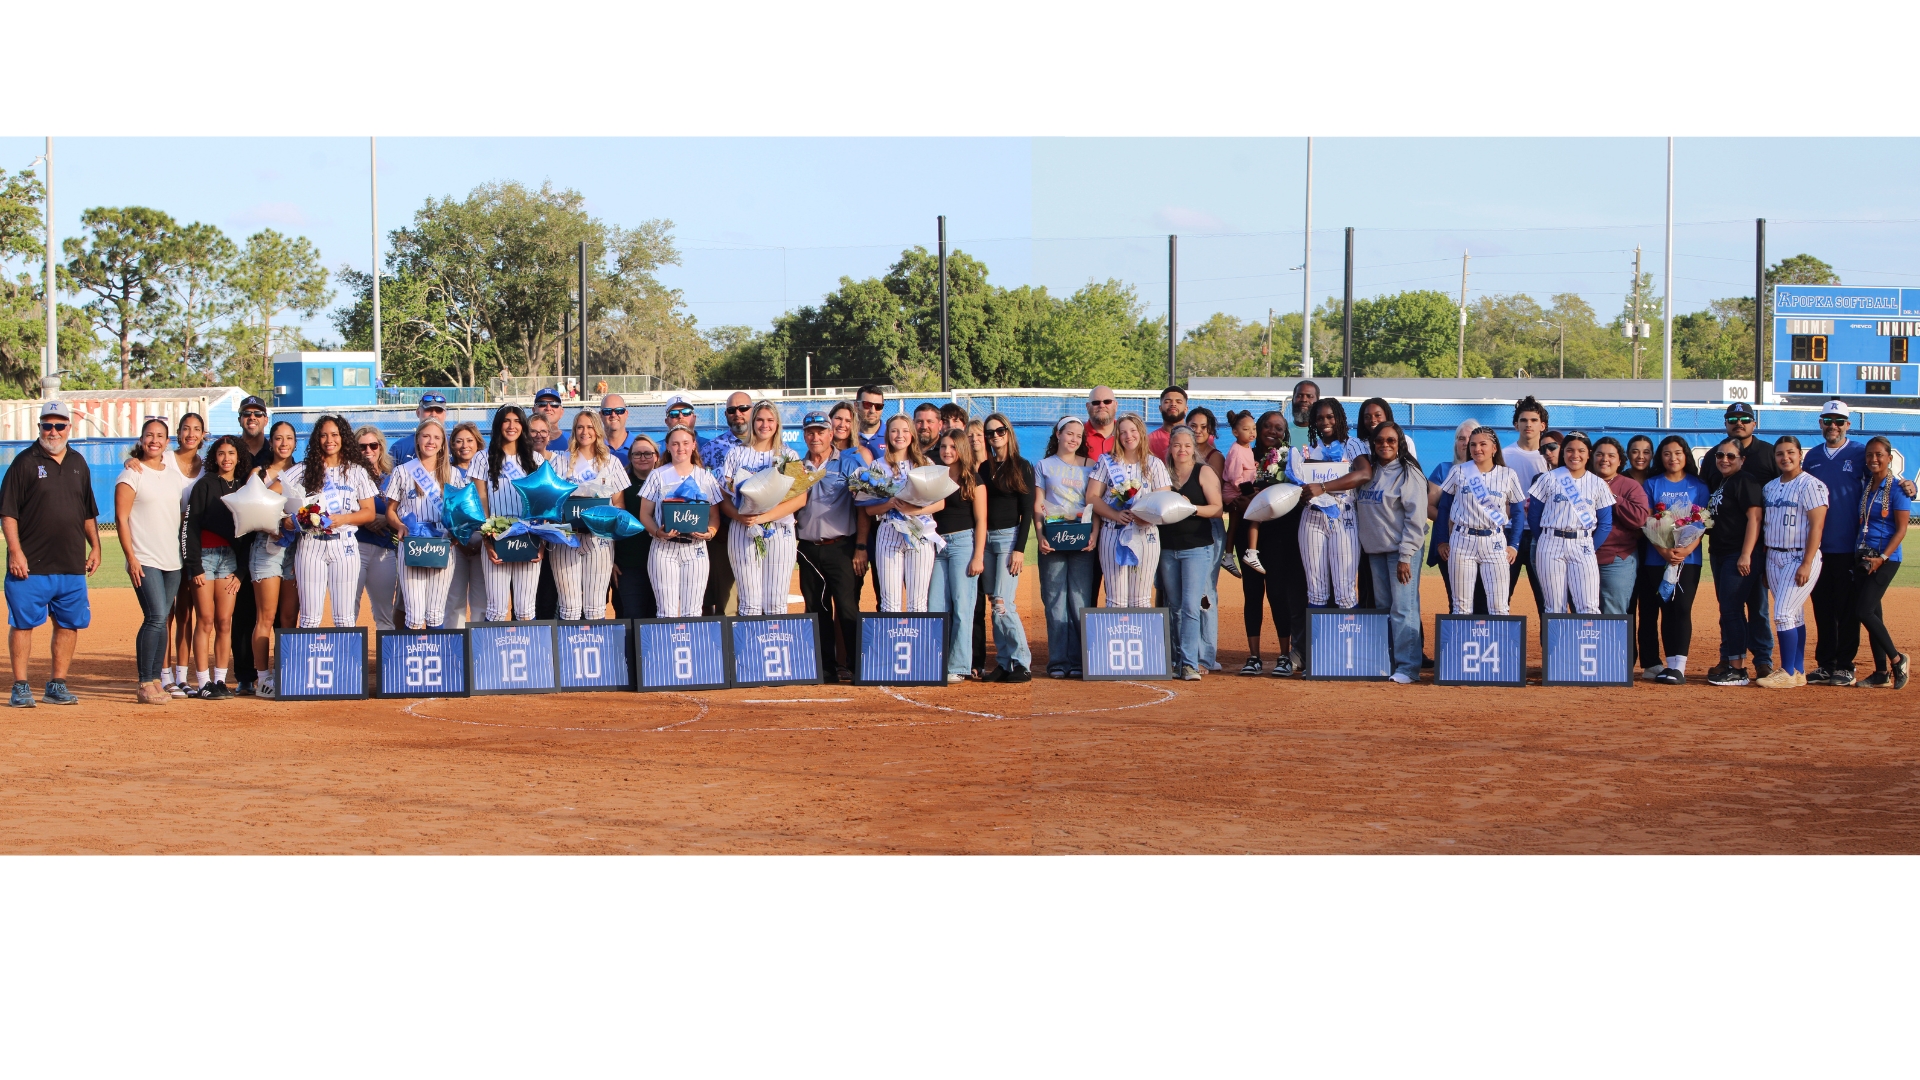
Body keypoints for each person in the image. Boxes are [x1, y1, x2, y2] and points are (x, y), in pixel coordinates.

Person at [117, 417, 192, 705]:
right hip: (144, 558)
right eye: (149, 435)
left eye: (160, 436)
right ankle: (144, 682)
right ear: (141, 439)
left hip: (172, 561)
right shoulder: (131, 474)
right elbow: (121, 519)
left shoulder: (173, 477)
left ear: (167, 441)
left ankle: (157, 680)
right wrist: (131, 558)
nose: (154, 440)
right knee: (156, 617)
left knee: (162, 619)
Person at [1224, 411, 1304, 676]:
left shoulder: (1289, 459)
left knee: (1279, 594)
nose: (1273, 431)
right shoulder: (1243, 453)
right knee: (1252, 593)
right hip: (1248, 536)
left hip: (1279, 535)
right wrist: (1237, 501)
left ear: (1285, 432)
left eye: (1278, 428)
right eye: (1267, 426)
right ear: (1257, 429)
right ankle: (1254, 656)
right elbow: (1230, 489)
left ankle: (1284, 655)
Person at [792, 416, 867, 682]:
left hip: (841, 546)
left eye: (821, 432)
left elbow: (864, 507)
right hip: (808, 548)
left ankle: (858, 665)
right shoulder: (796, 467)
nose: (815, 437)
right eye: (810, 432)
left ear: (831, 434)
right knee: (816, 608)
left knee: (847, 607)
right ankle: (825, 667)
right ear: (804, 436)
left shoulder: (848, 463)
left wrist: (861, 546)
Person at [288, 416, 380, 628]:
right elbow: (273, 491)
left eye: (334, 434)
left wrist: (343, 519)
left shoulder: (357, 471)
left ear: (343, 437)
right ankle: (308, 652)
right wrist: (287, 518)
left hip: (344, 544)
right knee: (309, 618)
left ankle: (345, 653)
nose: (329, 440)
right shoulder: (304, 469)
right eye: (323, 435)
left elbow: (369, 513)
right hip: (311, 544)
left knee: (344, 618)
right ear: (316, 439)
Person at [719, 401, 807, 617]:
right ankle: (750, 641)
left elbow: (800, 499)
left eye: (770, 420)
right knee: (749, 603)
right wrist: (739, 516)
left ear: (777, 424)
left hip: (780, 530)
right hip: (743, 529)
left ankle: (775, 639)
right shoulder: (736, 454)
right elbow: (723, 496)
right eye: (759, 419)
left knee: (776, 603)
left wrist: (763, 517)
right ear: (752, 422)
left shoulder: (789, 455)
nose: (764, 425)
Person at [1802, 400, 1867, 686]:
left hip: (1848, 545)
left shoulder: (1860, 453)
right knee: (1823, 608)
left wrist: (1907, 486)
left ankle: (1845, 665)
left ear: (1847, 425)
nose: (1833, 426)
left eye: (1839, 421)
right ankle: (1826, 664)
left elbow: (1881, 481)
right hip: (1817, 547)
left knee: (1847, 609)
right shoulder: (1812, 457)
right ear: (1820, 423)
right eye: (1828, 420)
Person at [1357, 420, 1427, 683]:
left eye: (1390, 440)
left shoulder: (1409, 473)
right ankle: (1389, 663)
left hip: (1401, 552)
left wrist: (1405, 556)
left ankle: (1408, 668)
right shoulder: (1369, 471)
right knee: (1384, 608)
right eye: (1379, 440)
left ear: (1399, 444)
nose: (1384, 445)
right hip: (1376, 552)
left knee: (1403, 609)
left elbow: (1416, 518)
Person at [1637, 435, 1710, 684]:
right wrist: (1663, 550)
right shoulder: (1652, 483)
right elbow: (1648, 520)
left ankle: (1678, 667)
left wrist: (1685, 551)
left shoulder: (1698, 485)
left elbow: (1702, 523)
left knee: (1681, 609)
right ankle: (1668, 666)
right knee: (1665, 609)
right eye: (1667, 453)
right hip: (1657, 559)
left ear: (1685, 455)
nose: (1673, 458)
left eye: (1677, 453)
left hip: (1688, 560)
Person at [1758, 436, 1828, 689]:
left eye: (1790, 452)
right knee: (1794, 615)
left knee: (1783, 614)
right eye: (1780, 453)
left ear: (1800, 455)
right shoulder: (1769, 487)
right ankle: (1798, 671)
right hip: (1773, 556)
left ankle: (1786, 671)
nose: (1785, 457)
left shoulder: (1812, 485)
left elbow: (1817, 526)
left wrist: (1807, 563)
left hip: (1800, 555)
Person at [1290, 398, 1370, 611]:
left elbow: (1365, 473)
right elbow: (1303, 484)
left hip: (1343, 515)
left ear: (1339, 418)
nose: (1325, 422)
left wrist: (1323, 487)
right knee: (1316, 591)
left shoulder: (1352, 444)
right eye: (1319, 418)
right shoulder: (1310, 449)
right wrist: (1302, 492)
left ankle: (1348, 634)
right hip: (1312, 517)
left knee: (1345, 592)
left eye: (1330, 417)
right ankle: (1318, 634)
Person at [182, 436, 247, 699]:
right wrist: (194, 565)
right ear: (214, 457)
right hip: (205, 559)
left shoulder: (244, 488)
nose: (226, 458)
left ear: (238, 457)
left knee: (224, 622)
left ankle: (220, 680)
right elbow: (190, 527)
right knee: (205, 620)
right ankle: (203, 682)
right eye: (221, 453)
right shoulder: (204, 485)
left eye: (231, 453)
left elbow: (248, 533)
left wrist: (241, 572)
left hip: (230, 561)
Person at [1436, 427, 1525, 615]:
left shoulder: (1508, 474)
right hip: (1462, 540)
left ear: (1494, 448)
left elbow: (1518, 512)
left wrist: (1514, 544)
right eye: (1473, 445)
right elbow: (1444, 508)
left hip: (1494, 541)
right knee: (1461, 607)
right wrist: (1442, 540)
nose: (1477, 449)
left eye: (1483, 444)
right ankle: (1461, 636)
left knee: (1499, 607)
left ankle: (1498, 636)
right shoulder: (1458, 471)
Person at [1158, 426, 1223, 680]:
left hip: (1196, 548)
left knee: (1190, 606)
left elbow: (1217, 508)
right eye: (1177, 445)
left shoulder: (1203, 471)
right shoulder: (1162, 473)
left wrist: (1191, 508)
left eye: (1187, 445)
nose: (1182, 450)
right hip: (1167, 548)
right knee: (1174, 605)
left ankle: (1189, 663)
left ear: (1193, 448)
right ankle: (1177, 660)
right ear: (1170, 448)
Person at [1086, 413, 1172, 608]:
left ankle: (1139, 630)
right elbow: (1092, 497)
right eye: (1123, 432)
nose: (1128, 436)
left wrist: (1147, 518)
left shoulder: (1154, 464)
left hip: (1146, 534)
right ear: (1117, 436)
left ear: (1141, 433)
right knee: (1115, 600)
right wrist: (1115, 515)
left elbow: (1163, 502)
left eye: (1133, 430)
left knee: (1141, 599)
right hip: (1112, 532)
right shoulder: (1106, 461)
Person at [1703, 437, 1769, 687]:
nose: (1725, 460)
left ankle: (1738, 669)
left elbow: (1755, 518)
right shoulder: (1723, 481)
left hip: (1737, 554)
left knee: (1732, 610)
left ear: (1742, 459)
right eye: (1720, 455)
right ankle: (1732, 662)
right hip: (1721, 553)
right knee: (1729, 610)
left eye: (1731, 456)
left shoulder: (1745, 481)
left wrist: (1746, 554)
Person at [1035, 417, 1097, 680]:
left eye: (1078, 436)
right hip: (1054, 540)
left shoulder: (1091, 466)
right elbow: (1038, 504)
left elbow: (1094, 503)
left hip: (1082, 541)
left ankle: (1080, 660)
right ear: (1058, 434)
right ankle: (1059, 661)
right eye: (1069, 433)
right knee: (1055, 601)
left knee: (1079, 601)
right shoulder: (1044, 465)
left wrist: (1094, 534)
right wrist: (1040, 536)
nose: (1073, 439)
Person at [551, 411, 629, 620]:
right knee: (569, 608)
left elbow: (619, 504)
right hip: (566, 540)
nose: (585, 432)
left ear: (598, 430)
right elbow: (551, 503)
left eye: (590, 427)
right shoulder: (560, 461)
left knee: (595, 608)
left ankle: (596, 641)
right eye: (580, 427)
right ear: (574, 431)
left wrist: (607, 521)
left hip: (599, 540)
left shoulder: (611, 462)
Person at [638, 426, 722, 618]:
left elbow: (714, 516)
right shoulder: (657, 475)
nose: (680, 448)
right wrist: (657, 532)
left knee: (693, 612)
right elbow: (645, 514)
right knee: (666, 611)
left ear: (694, 445)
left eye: (685, 443)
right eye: (675, 444)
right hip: (664, 548)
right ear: (667, 447)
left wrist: (710, 532)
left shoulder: (705, 477)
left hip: (695, 548)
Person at [1526, 432, 1615, 615]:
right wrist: (1545, 540)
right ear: (1563, 452)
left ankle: (1588, 636)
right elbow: (1534, 516)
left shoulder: (1597, 483)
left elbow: (1606, 522)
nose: (1575, 455)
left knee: (1588, 606)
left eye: (1581, 450)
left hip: (1583, 543)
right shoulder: (1548, 478)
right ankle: (1556, 636)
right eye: (1569, 450)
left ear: (1589, 453)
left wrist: (1590, 546)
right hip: (1551, 542)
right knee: (1554, 607)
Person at [865, 414, 946, 612]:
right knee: (889, 604)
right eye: (894, 431)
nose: (899, 435)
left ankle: (915, 634)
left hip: (920, 532)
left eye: (904, 430)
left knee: (918, 603)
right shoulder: (877, 466)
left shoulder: (925, 463)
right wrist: (891, 503)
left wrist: (914, 510)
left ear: (912, 435)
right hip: (888, 533)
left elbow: (940, 503)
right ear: (888, 436)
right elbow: (869, 509)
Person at [978, 412, 1035, 682]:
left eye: (1000, 431)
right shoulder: (984, 468)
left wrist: (1019, 549)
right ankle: (1003, 663)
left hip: (1008, 538)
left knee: (1003, 603)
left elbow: (1027, 512)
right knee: (994, 603)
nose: (995, 436)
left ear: (1008, 432)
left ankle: (1022, 662)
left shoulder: (1022, 466)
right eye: (990, 433)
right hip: (986, 540)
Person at [386, 420, 459, 629]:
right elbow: (390, 511)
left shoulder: (453, 474)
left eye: (436, 437)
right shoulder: (402, 471)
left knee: (436, 613)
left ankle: (436, 651)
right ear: (417, 439)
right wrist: (400, 526)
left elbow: (460, 512)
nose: (430, 441)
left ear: (443, 443)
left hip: (442, 543)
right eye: (426, 436)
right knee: (414, 615)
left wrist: (457, 532)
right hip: (412, 542)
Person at [248, 421, 302, 697]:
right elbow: (248, 511)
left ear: (295, 442)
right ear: (271, 442)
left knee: (289, 616)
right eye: (279, 438)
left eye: (289, 438)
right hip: (266, 548)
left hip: (296, 549)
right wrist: (277, 523)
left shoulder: (303, 470)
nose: (284, 443)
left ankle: (286, 672)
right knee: (266, 616)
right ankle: (262, 678)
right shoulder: (258, 473)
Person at [475, 405, 544, 621]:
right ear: (498, 425)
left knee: (526, 611)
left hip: (529, 538)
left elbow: (542, 505)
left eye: (517, 421)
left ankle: (527, 646)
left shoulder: (536, 460)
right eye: (506, 420)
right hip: (496, 539)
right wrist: (487, 541)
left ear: (523, 426)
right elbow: (481, 502)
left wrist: (541, 543)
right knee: (496, 610)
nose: (511, 426)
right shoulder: (482, 458)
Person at [928, 430, 985, 682]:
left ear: (962, 449)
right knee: (936, 606)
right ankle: (934, 661)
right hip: (938, 546)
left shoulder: (973, 480)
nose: (947, 451)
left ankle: (958, 666)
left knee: (962, 606)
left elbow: (981, 520)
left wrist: (978, 556)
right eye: (943, 446)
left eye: (952, 447)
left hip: (963, 544)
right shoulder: (936, 477)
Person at [1854, 436, 1910, 689]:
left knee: (1863, 611)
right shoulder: (1867, 485)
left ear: (1889, 458)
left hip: (1886, 558)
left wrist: (1883, 558)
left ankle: (1897, 659)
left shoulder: (1898, 489)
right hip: (1865, 555)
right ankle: (1880, 672)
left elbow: (1901, 530)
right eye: (1869, 455)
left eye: (1879, 454)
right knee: (1874, 613)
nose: (1873, 459)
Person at [227, 395, 273, 696]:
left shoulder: (276, 449)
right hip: (239, 541)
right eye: (247, 413)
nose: (252, 417)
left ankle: (277, 671)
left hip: (273, 541)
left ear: (265, 419)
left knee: (275, 612)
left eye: (257, 413)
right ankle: (245, 675)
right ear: (240, 419)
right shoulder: (231, 450)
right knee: (243, 611)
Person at [163, 412, 205, 698]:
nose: (191, 434)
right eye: (186, 429)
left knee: (186, 612)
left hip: (192, 545)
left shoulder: (208, 465)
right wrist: (131, 461)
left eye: (196, 429)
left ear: (203, 435)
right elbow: (140, 465)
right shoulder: (164, 459)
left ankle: (182, 675)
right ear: (178, 433)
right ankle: (164, 674)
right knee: (164, 612)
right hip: (165, 540)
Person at [1186, 407, 1231, 670]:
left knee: (1205, 591)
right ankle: (1186, 653)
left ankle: (1206, 655)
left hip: (1209, 525)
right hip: (1184, 526)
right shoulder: (1178, 453)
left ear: (1211, 430)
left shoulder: (1215, 457)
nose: (1198, 431)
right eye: (1193, 425)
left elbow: (1210, 497)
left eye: (1203, 427)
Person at [702, 390, 753, 616]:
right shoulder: (712, 448)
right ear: (725, 414)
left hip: (762, 529)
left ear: (752, 411)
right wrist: (717, 525)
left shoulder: (768, 444)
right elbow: (703, 490)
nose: (737, 413)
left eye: (743, 408)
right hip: (724, 530)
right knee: (728, 600)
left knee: (762, 595)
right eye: (732, 410)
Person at [1427, 419, 1485, 615]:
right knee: (1458, 603)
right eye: (1461, 438)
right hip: (1450, 546)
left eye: (1471, 438)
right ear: (1456, 443)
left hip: (1484, 547)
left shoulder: (1492, 473)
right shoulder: (1444, 470)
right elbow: (1428, 506)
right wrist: (1452, 524)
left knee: (1482, 602)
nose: (1466, 443)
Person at [1591, 437, 1650, 620]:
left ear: (1620, 461)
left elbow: (1639, 519)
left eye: (1611, 455)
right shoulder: (1582, 482)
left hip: (1617, 559)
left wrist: (1613, 497)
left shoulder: (1630, 485)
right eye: (1599, 454)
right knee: (1583, 613)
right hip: (1582, 558)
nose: (1604, 459)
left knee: (1613, 614)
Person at [1503, 396, 1550, 616]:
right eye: (1523, 420)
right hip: (1509, 532)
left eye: (1533, 420)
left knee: (1545, 599)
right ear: (1516, 425)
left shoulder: (1551, 458)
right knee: (1501, 595)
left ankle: (1549, 640)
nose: (1528, 424)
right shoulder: (1504, 455)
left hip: (1541, 534)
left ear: (1543, 425)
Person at [353, 426, 401, 630]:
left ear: (380, 447)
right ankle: (348, 651)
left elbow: (404, 512)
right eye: (362, 446)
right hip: (355, 548)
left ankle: (386, 651)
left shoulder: (392, 477)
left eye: (373, 445)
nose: (368, 450)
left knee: (384, 614)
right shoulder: (349, 476)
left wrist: (387, 519)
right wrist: (365, 517)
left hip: (384, 549)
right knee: (348, 611)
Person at [442, 421, 487, 628]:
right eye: (459, 441)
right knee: (453, 601)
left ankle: (478, 644)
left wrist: (485, 538)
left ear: (478, 443)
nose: (464, 445)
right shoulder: (445, 472)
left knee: (481, 601)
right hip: (454, 543)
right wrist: (459, 541)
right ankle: (455, 644)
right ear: (452, 445)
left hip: (483, 542)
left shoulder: (487, 471)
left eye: (469, 440)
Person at [611, 435, 660, 621]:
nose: (642, 458)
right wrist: (612, 560)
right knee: (631, 616)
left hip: (660, 560)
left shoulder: (665, 482)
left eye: (647, 453)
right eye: (637, 454)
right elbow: (613, 524)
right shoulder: (622, 486)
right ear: (630, 457)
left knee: (657, 615)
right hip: (628, 564)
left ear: (656, 456)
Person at [1221, 410, 1259, 579]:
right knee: (1257, 513)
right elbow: (1235, 477)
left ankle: (1229, 557)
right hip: (1235, 493)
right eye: (1246, 429)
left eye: (1253, 428)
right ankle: (1251, 552)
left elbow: (1246, 467)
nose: (1251, 432)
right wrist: (1249, 493)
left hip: (1240, 490)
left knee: (1234, 524)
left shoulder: (1246, 447)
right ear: (1235, 432)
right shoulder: (1236, 450)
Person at [1718, 402, 1777, 484]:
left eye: (1745, 419)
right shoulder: (1714, 455)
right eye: (1732, 420)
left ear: (1754, 424)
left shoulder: (1770, 453)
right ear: (1725, 424)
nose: (1739, 423)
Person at [387, 392, 449, 466]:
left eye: (438, 410)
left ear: (445, 414)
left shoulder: (454, 445)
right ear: (418, 412)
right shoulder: (400, 447)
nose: (433, 414)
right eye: (428, 410)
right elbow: (388, 472)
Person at [1149, 385, 1187, 460]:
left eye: (1178, 402)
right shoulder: (1149, 441)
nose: (1173, 404)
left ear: (1185, 409)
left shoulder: (1198, 438)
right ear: (1160, 408)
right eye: (1167, 401)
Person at [853, 385, 889, 461]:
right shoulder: (847, 435)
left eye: (878, 406)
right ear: (856, 406)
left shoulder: (892, 436)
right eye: (867, 405)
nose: (872, 411)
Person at [1083, 386, 1119, 461]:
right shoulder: (1077, 436)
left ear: (1115, 405)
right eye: (1096, 402)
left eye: (1107, 401)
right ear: (1088, 406)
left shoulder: (1127, 435)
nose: (1102, 406)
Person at [530, 387, 568, 452]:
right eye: (542, 404)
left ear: (561, 412)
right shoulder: (524, 442)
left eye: (554, 404)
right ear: (534, 410)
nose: (548, 408)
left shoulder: (573, 441)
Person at [1288, 380, 1320, 451]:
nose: (1304, 399)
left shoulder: (1324, 432)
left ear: (1317, 401)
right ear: (1293, 400)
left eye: (1310, 396)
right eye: (1299, 396)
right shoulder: (1282, 431)